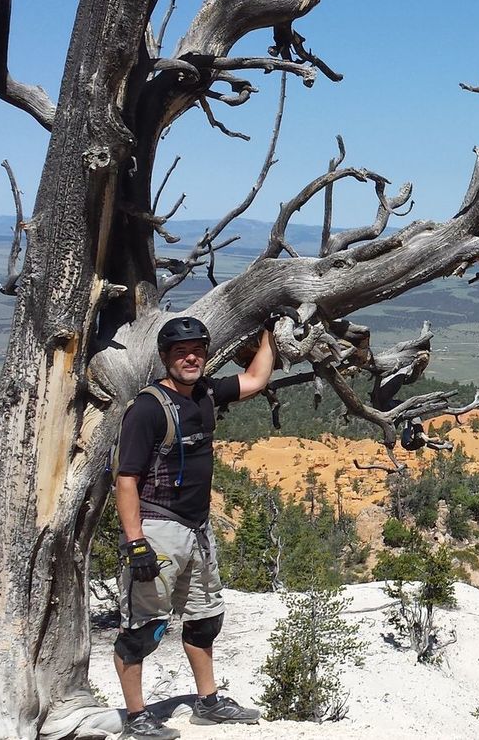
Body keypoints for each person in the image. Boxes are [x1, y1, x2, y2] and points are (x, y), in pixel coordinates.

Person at [113, 316, 276, 739]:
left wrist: (269, 331)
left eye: (198, 352)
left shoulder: (205, 392)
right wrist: (136, 543)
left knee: (205, 620)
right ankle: (136, 717)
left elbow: (256, 379)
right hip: (157, 529)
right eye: (181, 353)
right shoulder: (148, 408)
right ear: (165, 357)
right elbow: (125, 480)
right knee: (142, 629)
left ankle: (208, 703)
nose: (190, 359)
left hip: (197, 529)